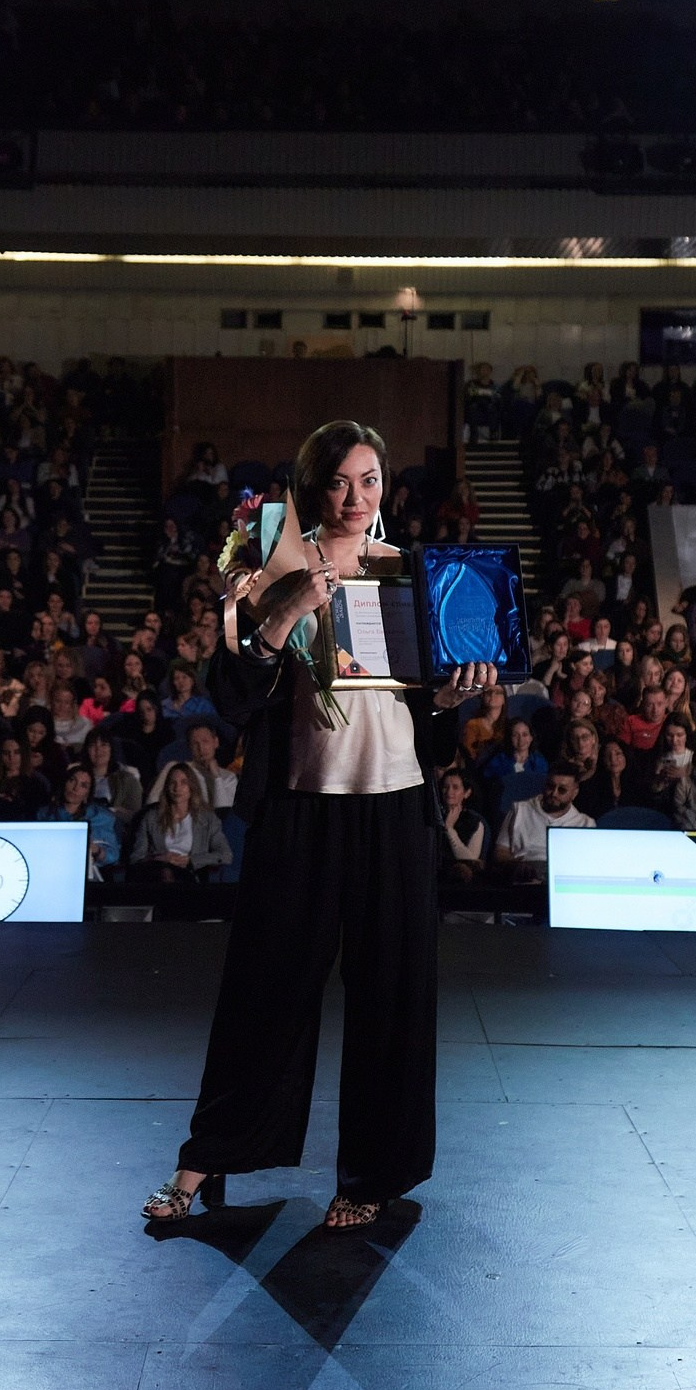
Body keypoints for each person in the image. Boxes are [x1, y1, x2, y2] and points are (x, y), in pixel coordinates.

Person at [147, 420, 495, 1234]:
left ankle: (375, 1170)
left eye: (369, 480)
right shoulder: (269, 567)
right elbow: (232, 697)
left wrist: (447, 702)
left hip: (396, 808)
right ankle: (208, 1156)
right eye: (339, 481)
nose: (355, 497)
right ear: (310, 488)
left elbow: (420, 706)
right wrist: (286, 609)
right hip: (302, 810)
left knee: (392, 997)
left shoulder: (411, 572)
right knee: (265, 988)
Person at [129, 763, 226, 880]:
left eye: (183, 783)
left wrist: (190, 861)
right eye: (172, 783)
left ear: (192, 786)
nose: (177, 788)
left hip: (191, 874)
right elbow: (136, 858)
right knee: (165, 873)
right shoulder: (151, 817)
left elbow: (224, 855)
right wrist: (159, 858)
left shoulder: (207, 818)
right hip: (158, 872)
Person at [435, 769, 487, 881]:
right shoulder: (434, 818)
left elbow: (471, 861)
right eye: (445, 787)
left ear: (467, 793)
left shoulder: (475, 822)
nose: (449, 792)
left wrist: (449, 829)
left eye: (455, 787)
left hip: (467, 880)